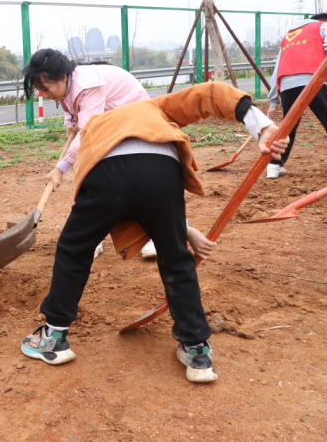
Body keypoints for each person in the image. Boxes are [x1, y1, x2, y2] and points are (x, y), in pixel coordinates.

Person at [18, 80, 289, 384]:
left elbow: (121, 192)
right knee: (176, 259)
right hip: (162, 171)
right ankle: (197, 350)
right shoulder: (154, 108)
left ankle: (54, 337)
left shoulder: (94, 125)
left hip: (106, 173)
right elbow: (211, 95)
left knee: (74, 249)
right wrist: (261, 125)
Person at [25, 49, 215, 260]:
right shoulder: (67, 83)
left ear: (62, 76)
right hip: (113, 122)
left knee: (141, 182)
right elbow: (71, 107)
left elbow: (88, 132)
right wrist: (70, 122)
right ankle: (93, 235)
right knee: (95, 177)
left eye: (46, 88)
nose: (44, 94)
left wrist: (60, 168)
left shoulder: (87, 86)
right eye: (39, 89)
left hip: (136, 125)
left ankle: (158, 235)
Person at [267, 13, 327, 180]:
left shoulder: (288, 37)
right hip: (316, 79)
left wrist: (273, 101)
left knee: (288, 127)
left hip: (287, 83)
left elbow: (277, 68)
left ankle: (274, 166)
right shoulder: (325, 26)